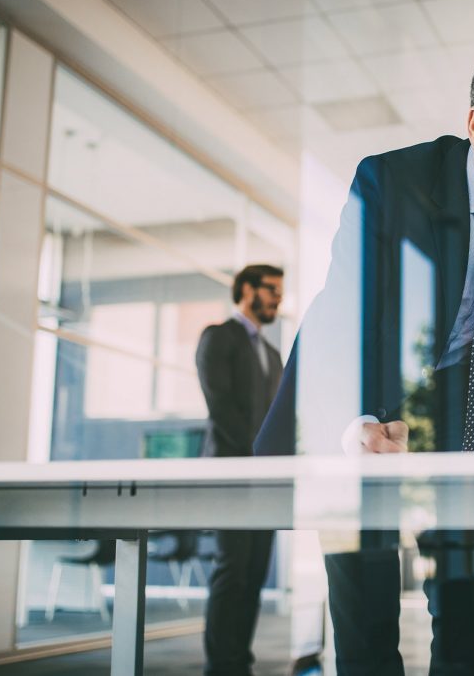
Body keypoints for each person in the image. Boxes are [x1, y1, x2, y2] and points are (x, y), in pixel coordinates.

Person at [255, 41, 474, 675]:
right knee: (367, 624)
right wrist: (355, 424)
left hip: (469, 407)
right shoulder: (392, 181)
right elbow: (344, 315)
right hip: (369, 397)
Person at [196, 264, 317, 676]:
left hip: (265, 483)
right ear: (246, 290)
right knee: (231, 572)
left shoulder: (270, 351)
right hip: (230, 476)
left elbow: (279, 418)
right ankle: (221, 665)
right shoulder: (219, 337)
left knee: (252, 575)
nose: (278, 299)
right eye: (271, 290)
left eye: (281, 292)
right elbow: (222, 410)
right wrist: (258, 459)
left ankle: (238, 662)